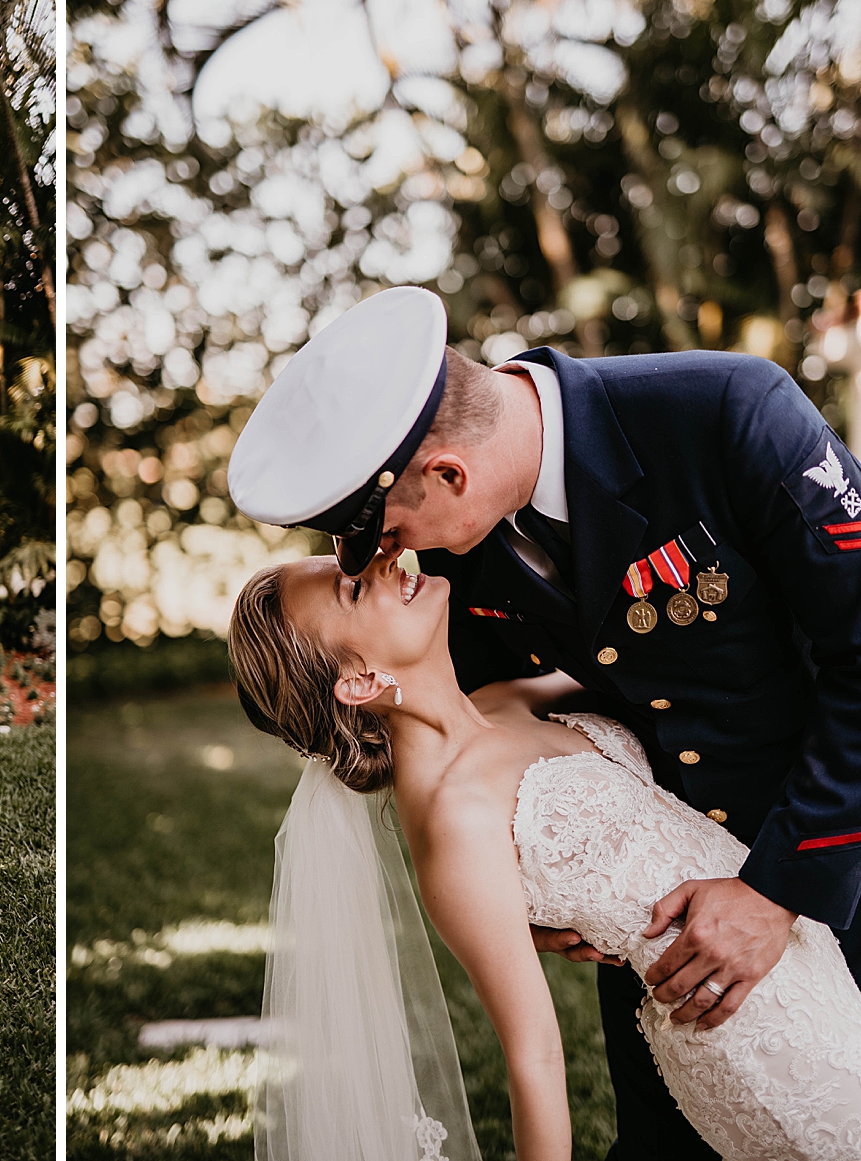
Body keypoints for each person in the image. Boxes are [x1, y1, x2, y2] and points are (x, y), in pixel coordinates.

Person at [227, 285, 861, 1157]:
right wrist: (526, 898)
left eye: (384, 532)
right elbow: (460, 744)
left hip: (832, 872)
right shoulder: (454, 558)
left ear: (449, 473)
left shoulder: (725, 412)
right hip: (660, 973)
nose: (393, 556)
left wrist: (777, 889)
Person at [226, 550, 861, 1161]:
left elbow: (650, 671)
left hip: (801, 955)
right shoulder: (456, 817)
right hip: (754, 1033)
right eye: (354, 587)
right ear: (359, 680)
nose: (382, 561)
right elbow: (535, 1059)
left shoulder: (506, 702)